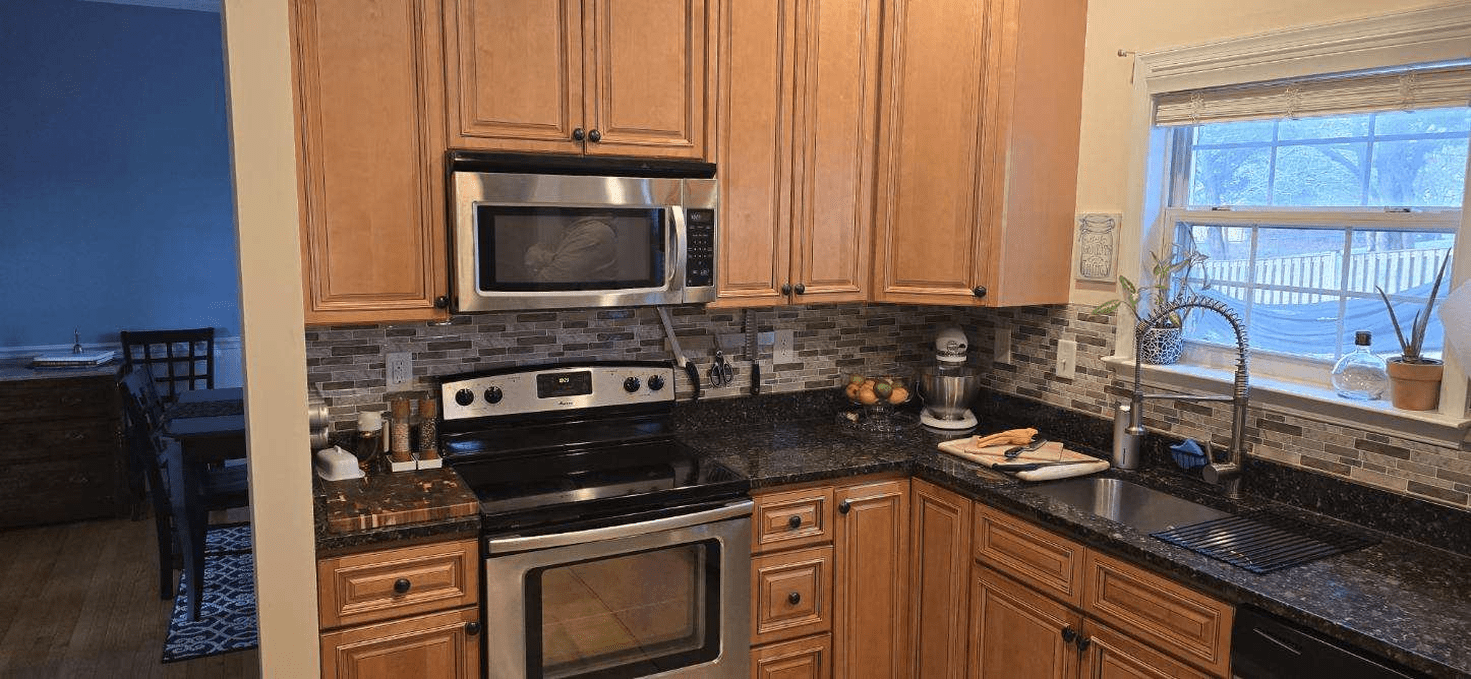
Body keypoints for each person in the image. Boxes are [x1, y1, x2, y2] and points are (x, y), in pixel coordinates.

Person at [524, 215, 618, 282]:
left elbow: (548, 281)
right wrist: (554, 259)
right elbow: (532, 253)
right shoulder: (570, 229)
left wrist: (547, 260)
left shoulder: (595, 232)